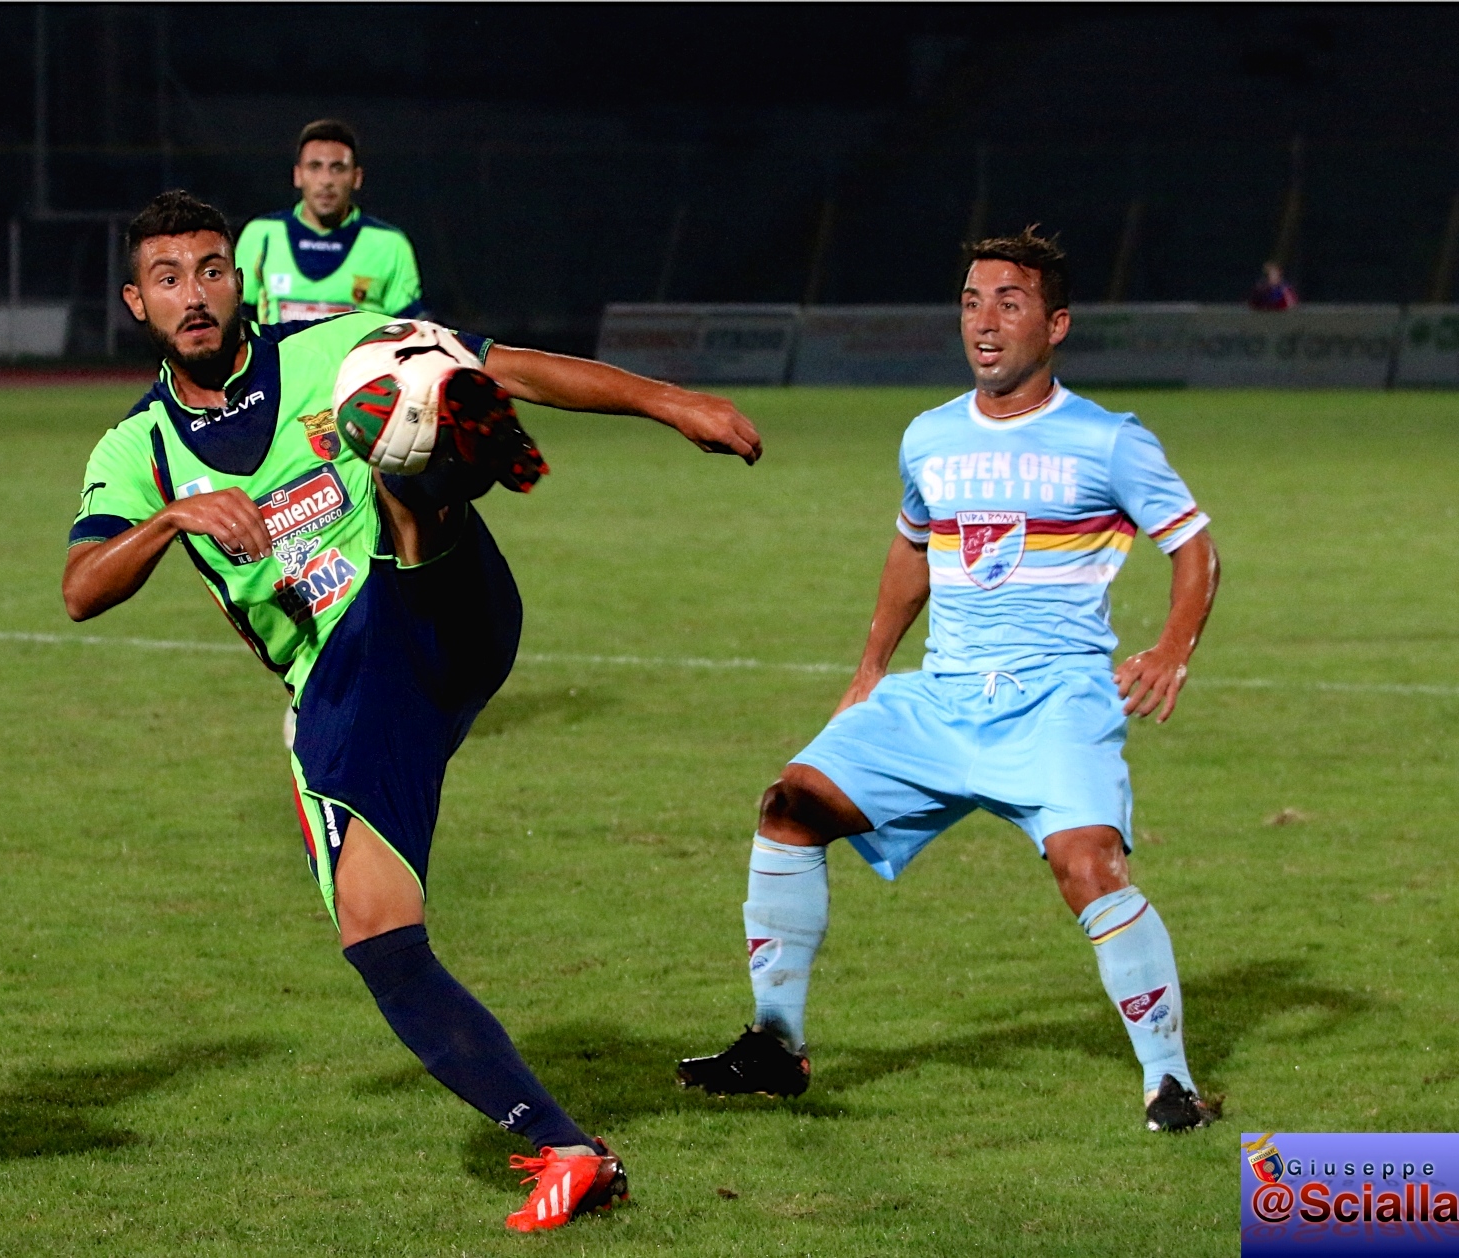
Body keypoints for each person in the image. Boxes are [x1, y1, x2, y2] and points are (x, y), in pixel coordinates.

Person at [66, 190, 762, 1232]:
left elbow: (513, 361)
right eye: (169, 279)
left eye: (211, 269)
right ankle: (568, 1147)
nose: (195, 294)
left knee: (400, 390)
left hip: (431, 614)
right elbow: (80, 586)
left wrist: (669, 401)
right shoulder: (138, 451)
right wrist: (170, 517)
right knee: (378, 933)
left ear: (239, 277)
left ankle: (427, 475)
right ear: (137, 302)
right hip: (349, 690)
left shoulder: (335, 346)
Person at [677, 228, 1222, 1135]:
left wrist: (1171, 649)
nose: (984, 321)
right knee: (792, 806)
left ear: (1056, 324)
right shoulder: (928, 436)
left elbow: (1194, 545)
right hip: (941, 696)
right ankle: (776, 1043)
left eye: (1010, 303)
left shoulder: (1107, 439)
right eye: (972, 301)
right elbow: (913, 547)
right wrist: (869, 670)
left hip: (1055, 698)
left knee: (1089, 867)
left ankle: (1170, 1084)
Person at [235, 119, 424, 325]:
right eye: (315, 167)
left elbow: (412, 329)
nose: (326, 180)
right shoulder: (261, 234)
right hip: (280, 359)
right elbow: (237, 319)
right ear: (298, 175)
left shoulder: (390, 245)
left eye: (338, 168)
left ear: (356, 177)